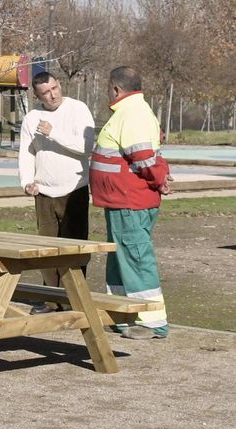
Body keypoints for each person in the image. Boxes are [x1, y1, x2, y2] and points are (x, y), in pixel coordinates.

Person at [90, 65, 174, 339]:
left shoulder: (133, 114)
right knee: (121, 256)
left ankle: (152, 321)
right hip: (120, 200)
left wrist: (160, 179)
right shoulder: (132, 111)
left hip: (130, 201)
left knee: (136, 257)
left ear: (116, 88)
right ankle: (122, 312)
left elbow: (144, 157)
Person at [18, 70, 95, 290]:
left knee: (74, 248)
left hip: (74, 190)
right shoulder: (32, 118)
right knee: (47, 249)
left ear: (59, 84)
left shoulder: (78, 109)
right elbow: (26, 153)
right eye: (46, 93)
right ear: (38, 96)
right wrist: (27, 181)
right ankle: (51, 297)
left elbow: (86, 147)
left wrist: (53, 133)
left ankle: (74, 297)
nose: (52, 95)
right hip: (43, 192)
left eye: (54, 88)